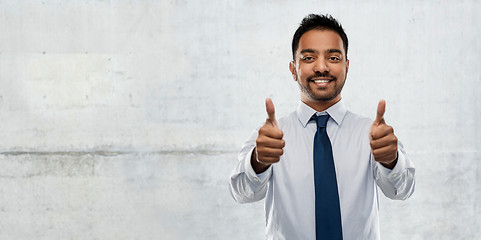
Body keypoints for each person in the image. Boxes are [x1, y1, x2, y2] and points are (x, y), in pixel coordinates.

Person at [229, 14, 415, 240]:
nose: (321, 67)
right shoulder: (270, 136)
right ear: (293, 69)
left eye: (333, 58)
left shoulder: (373, 134)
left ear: (347, 66)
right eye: (308, 58)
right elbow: (241, 193)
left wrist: (391, 160)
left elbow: (402, 190)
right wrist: (258, 161)